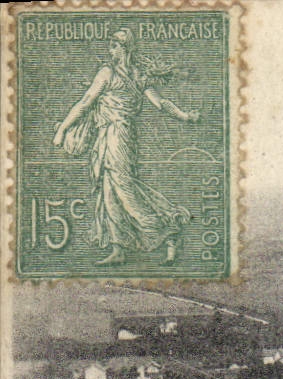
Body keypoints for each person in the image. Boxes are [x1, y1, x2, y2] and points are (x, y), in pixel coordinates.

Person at [52, 27, 199, 266]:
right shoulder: (135, 74)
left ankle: (168, 230)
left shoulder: (111, 73)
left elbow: (87, 101)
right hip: (111, 135)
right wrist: (184, 116)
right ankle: (118, 248)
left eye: (114, 45)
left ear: (123, 48)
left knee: (123, 189)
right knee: (109, 190)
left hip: (117, 135)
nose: (111, 49)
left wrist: (62, 129)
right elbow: (160, 103)